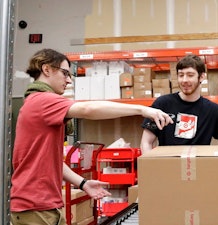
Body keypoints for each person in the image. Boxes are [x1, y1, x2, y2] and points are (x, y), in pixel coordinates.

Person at [10, 48, 174, 225]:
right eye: (65, 73)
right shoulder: (42, 100)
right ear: (47, 69)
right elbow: (88, 109)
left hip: (45, 206)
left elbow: (51, 161)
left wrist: (83, 183)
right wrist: (142, 109)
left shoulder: (38, 103)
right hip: (36, 208)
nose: (69, 80)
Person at [140, 54, 218, 160]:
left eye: (190, 75)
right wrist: (151, 167)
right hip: (167, 170)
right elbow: (146, 142)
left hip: (199, 171)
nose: (184, 80)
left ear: (202, 76)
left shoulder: (214, 111)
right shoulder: (162, 104)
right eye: (181, 75)